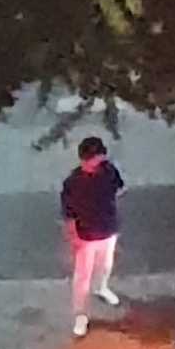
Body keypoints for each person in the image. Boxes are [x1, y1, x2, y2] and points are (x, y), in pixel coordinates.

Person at [61, 135, 125, 336]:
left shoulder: (109, 171)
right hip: (86, 235)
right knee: (82, 277)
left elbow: (120, 188)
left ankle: (102, 288)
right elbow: (68, 213)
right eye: (95, 159)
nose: (98, 163)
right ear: (84, 160)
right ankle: (80, 315)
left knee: (106, 265)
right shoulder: (73, 182)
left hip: (108, 229)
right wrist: (73, 236)